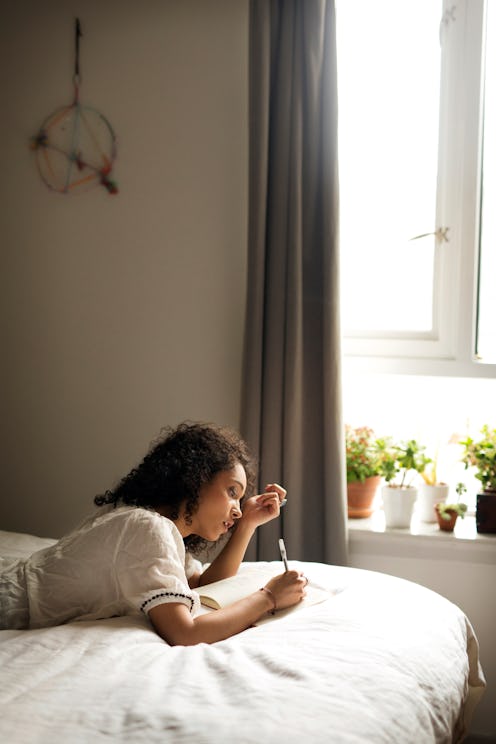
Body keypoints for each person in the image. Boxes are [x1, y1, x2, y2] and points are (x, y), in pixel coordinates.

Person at [0, 422, 307, 644]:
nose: (237, 508)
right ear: (195, 478)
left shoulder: (154, 527)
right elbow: (185, 633)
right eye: (231, 492)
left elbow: (199, 584)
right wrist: (268, 598)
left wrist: (248, 524)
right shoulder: (148, 529)